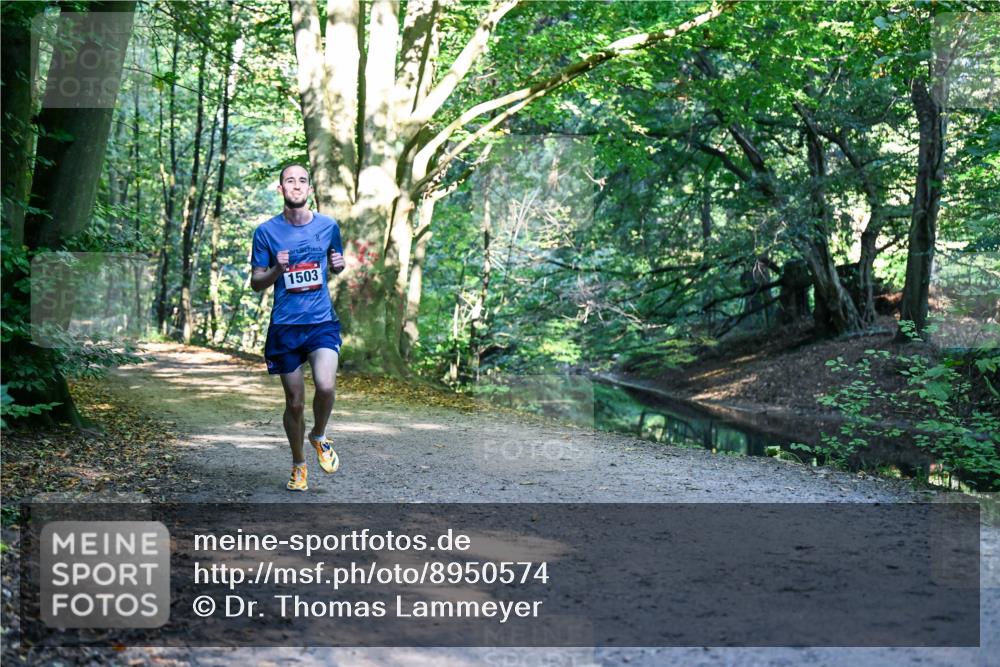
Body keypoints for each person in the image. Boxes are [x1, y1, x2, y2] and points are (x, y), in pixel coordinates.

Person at [250, 164, 347, 491]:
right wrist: (278, 267)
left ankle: (319, 435)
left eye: (302, 181)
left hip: (321, 322)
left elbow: (335, 262)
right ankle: (299, 464)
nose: (296, 186)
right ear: (281, 189)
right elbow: (256, 282)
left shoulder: (328, 226)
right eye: (289, 181)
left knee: (326, 385)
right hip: (285, 327)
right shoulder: (266, 232)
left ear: (309, 189)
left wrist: (339, 265)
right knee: (294, 402)